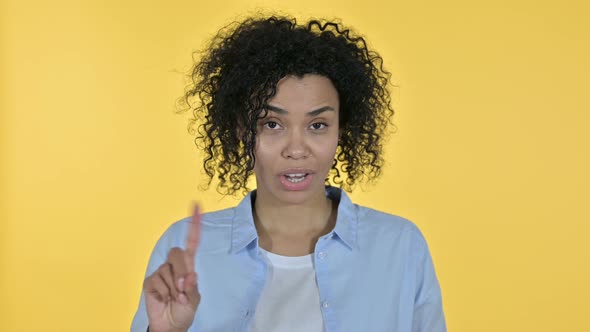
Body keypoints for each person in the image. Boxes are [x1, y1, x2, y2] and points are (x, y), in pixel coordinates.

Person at [131, 15, 446, 332]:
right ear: (242, 128)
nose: (296, 149)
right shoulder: (185, 247)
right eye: (272, 124)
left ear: (341, 130)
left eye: (317, 125)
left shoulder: (400, 246)